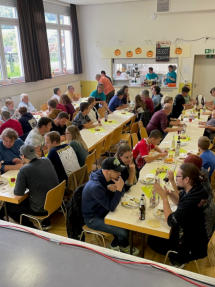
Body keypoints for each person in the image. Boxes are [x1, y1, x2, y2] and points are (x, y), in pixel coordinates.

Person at [153, 163, 209, 266]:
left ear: (187, 179)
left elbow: (171, 221)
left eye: (178, 176)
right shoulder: (195, 188)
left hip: (189, 244)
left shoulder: (192, 201)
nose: (175, 178)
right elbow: (180, 201)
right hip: (196, 234)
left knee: (152, 240)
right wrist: (169, 194)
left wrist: (164, 198)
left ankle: (178, 261)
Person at [82, 157, 138, 254]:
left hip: (104, 211)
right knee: (123, 232)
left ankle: (123, 245)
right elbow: (111, 207)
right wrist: (119, 190)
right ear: (108, 171)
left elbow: (124, 190)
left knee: (128, 221)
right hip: (93, 218)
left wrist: (118, 189)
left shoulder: (107, 176)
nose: (120, 174)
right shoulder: (96, 186)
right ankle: (114, 246)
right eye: (117, 171)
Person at [0, 144, 59, 228]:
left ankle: (31, 227)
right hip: (54, 202)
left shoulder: (24, 170)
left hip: (41, 209)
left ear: (22, 156)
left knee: (8, 205)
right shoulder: (46, 160)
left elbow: (17, 196)